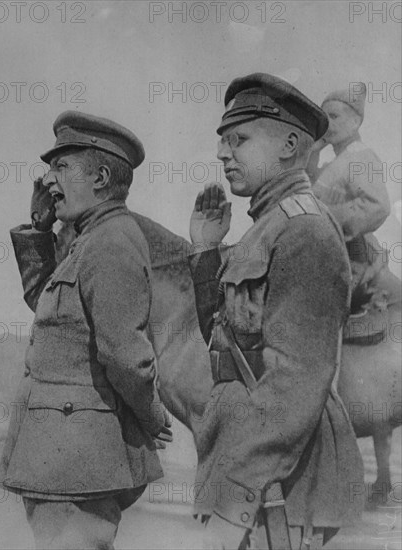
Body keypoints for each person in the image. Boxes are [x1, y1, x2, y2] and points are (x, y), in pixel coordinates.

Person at [188, 73, 364, 549]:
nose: (223, 154)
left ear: (290, 144)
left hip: (279, 482)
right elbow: (227, 347)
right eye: (223, 142)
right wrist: (206, 254)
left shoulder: (304, 229)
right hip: (249, 462)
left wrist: (239, 490)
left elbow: (297, 380)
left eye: (238, 140)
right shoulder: (268, 226)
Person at [0, 111, 172, 550]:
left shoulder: (111, 242)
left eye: (61, 167)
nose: (48, 180)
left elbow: (124, 352)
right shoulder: (88, 238)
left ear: (102, 177)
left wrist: (151, 415)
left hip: (77, 456)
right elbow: (50, 312)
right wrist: (40, 230)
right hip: (64, 452)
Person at [308, 83, 401, 326]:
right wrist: (313, 152)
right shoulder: (336, 163)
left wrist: (324, 218)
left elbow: (377, 205)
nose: (328, 124)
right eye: (323, 118)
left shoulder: (359, 156)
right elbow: (308, 191)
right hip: (335, 260)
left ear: (356, 122)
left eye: (335, 116)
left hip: (357, 263)